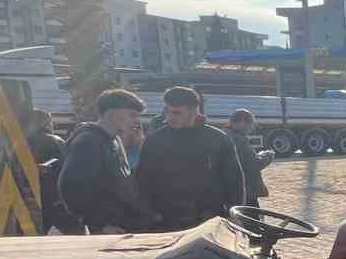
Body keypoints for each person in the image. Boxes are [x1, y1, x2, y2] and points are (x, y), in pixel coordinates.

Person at [134, 86, 244, 231]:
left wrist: (234, 214)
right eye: (167, 111)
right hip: (166, 221)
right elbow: (143, 181)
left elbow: (234, 180)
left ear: (194, 111)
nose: (170, 117)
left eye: (177, 113)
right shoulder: (155, 140)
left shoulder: (218, 139)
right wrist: (149, 215)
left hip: (208, 220)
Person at [59, 88, 158, 234]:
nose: (137, 121)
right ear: (112, 114)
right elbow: (71, 188)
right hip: (109, 228)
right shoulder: (88, 141)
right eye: (132, 115)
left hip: (122, 224)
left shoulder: (114, 139)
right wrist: (100, 225)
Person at [24, 109, 81, 234]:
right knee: (76, 233)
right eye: (51, 122)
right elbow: (68, 166)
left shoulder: (20, 142)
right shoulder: (55, 140)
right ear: (45, 123)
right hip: (56, 197)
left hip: (30, 198)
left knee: (32, 235)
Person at [226, 109, 274, 209]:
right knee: (252, 221)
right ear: (242, 122)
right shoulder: (239, 139)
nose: (251, 128)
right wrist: (267, 156)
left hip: (229, 191)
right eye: (250, 124)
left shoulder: (224, 135)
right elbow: (253, 165)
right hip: (245, 191)